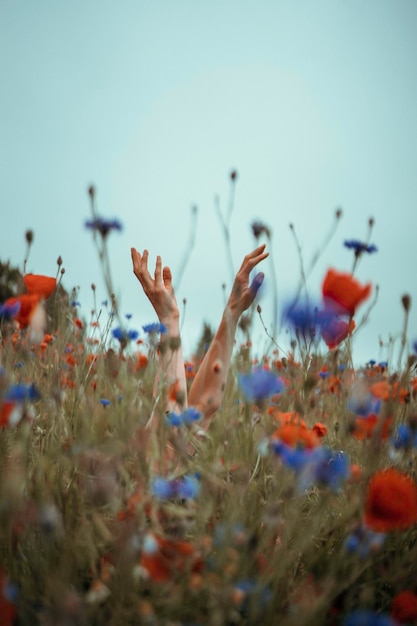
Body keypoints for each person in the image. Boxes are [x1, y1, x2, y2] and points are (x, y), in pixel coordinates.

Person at [130, 245, 268, 454]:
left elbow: (204, 406)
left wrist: (233, 311)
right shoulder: (154, 478)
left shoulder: (172, 465)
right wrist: (168, 320)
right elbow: (172, 431)